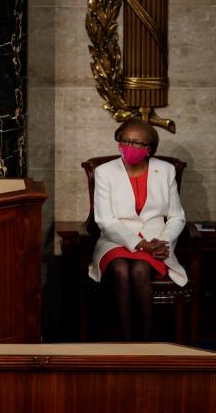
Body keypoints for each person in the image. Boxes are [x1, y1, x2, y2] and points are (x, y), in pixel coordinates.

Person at [87, 118, 187, 341]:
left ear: (149, 149)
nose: (129, 148)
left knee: (140, 269)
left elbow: (177, 217)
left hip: (156, 239)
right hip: (115, 240)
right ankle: (126, 341)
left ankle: (147, 339)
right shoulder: (104, 172)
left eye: (137, 144)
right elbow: (105, 220)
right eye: (125, 141)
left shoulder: (166, 170)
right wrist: (140, 244)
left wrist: (164, 243)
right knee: (121, 270)